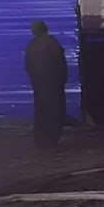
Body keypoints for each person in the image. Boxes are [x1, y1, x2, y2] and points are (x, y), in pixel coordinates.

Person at [25, 19, 68, 150]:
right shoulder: (51, 42)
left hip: (39, 84)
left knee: (40, 110)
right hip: (53, 83)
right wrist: (61, 80)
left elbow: (28, 66)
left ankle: (40, 138)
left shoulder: (31, 46)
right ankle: (51, 138)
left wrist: (34, 80)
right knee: (54, 110)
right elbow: (60, 62)